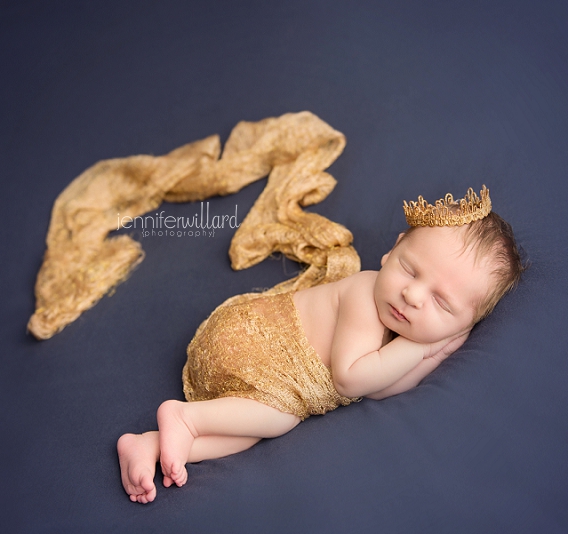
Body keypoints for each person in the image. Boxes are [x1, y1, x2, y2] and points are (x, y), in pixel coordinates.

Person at [117, 186, 524, 504]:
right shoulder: (366, 296)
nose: (413, 296)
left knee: (255, 430)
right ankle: (185, 418)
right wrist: (420, 349)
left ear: (463, 325)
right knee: (280, 420)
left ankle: (151, 445)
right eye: (409, 268)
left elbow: (381, 386)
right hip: (249, 345)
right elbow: (351, 380)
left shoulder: (403, 328)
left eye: (440, 302)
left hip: (260, 384)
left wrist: (435, 354)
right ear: (391, 250)